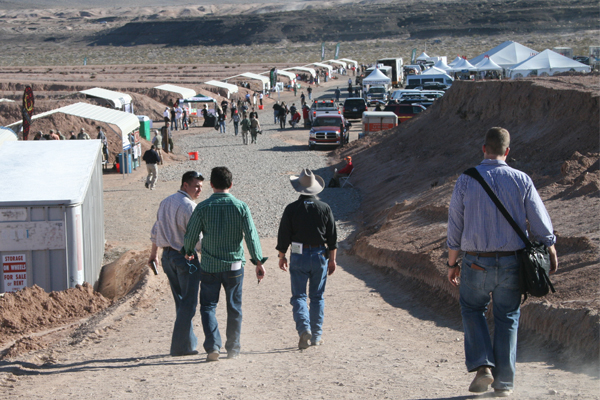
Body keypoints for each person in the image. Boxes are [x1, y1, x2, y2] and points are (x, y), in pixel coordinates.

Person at [447, 127, 558, 397]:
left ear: (483, 148)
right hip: (512, 263)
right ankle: (504, 384)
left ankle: (483, 365)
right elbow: (540, 223)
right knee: (507, 317)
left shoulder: (465, 179)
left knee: (472, 309)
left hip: (475, 262)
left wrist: (452, 264)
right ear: (508, 152)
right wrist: (551, 249)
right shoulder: (522, 180)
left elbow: (455, 226)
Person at [183, 166, 267, 361]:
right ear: (231, 184)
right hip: (234, 266)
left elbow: (191, 235)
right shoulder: (241, 207)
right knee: (234, 307)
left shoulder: (203, 207)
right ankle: (233, 348)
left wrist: (188, 252)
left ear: (211, 184)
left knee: (208, 307)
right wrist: (258, 261)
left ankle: (213, 346)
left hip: (210, 266)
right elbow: (251, 237)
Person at [276, 169, 337, 349]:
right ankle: (316, 336)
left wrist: (282, 256)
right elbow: (332, 237)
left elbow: (283, 236)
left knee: (299, 296)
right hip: (319, 255)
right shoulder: (325, 208)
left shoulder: (291, 209)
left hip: (298, 255)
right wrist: (332, 260)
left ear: (298, 188)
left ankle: (304, 329)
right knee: (317, 297)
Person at [149, 171, 205, 356]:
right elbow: (197, 239)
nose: (199, 190)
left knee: (181, 303)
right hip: (185, 258)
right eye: (196, 186)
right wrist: (208, 254)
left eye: (201, 187)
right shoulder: (189, 207)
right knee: (188, 304)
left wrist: (154, 254)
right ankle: (179, 347)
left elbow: (156, 230)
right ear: (185, 185)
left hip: (167, 257)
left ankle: (189, 343)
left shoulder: (165, 202)